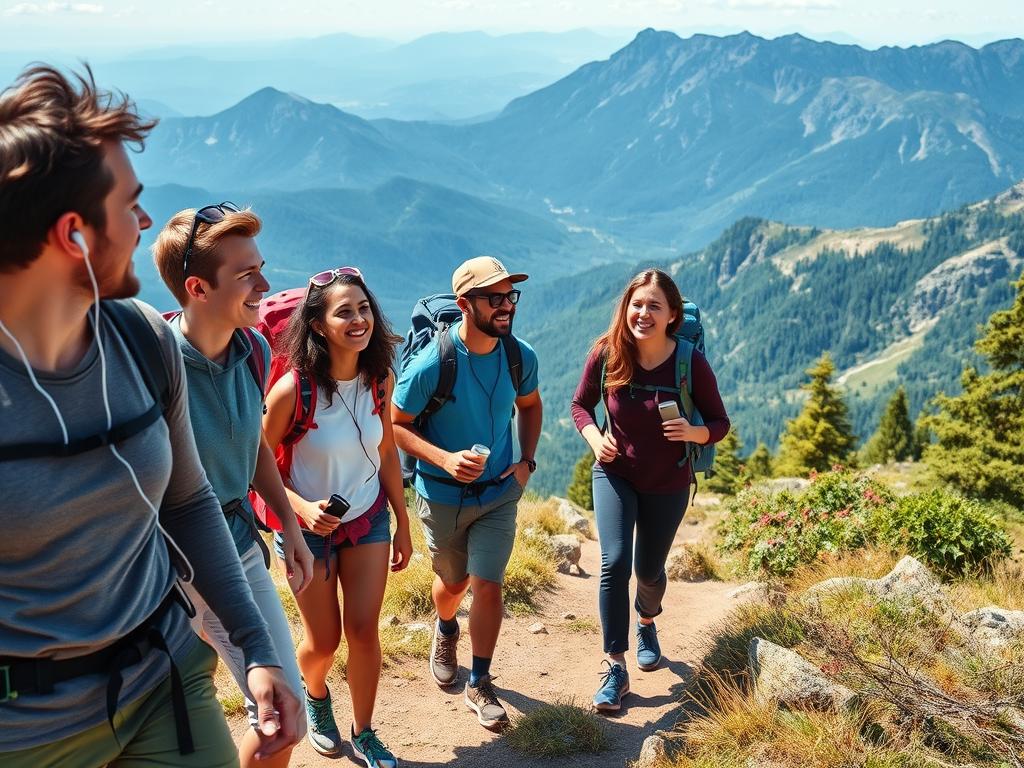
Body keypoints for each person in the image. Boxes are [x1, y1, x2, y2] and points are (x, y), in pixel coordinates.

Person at [0, 66, 301, 766]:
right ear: (73, 234)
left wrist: (256, 648)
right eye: (131, 206)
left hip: (163, 687)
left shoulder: (141, 339)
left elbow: (188, 501)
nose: (143, 223)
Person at [152, 204, 316, 768]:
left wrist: (288, 525)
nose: (265, 286)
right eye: (246, 275)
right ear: (197, 287)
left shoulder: (254, 350)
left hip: (240, 544)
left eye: (260, 268)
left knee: (264, 708)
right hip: (180, 562)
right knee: (280, 711)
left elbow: (251, 449)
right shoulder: (157, 369)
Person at [262, 267, 412, 767]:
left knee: (365, 631)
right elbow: (254, 463)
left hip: (368, 519)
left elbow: (387, 450)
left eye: (363, 308)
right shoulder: (292, 391)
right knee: (323, 642)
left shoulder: (380, 380)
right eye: (343, 311)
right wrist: (301, 510)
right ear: (319, 325)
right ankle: (316, 693)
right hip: (306, 533)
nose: (358, 319)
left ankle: (366, 732)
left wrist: (402, 522)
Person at [392, 256, 543, 731]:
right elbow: (395, 425)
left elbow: (531, 405)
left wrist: (526, 463)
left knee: (488, 583)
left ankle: (479, 682)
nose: (506, 306)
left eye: (509, 296)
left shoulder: (520, 356)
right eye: (494, 298)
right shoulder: (434, 362)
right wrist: (444, 460)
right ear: (464, 304)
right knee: (453, 585)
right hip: (441, 496)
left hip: (499, 491)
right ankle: (446, 626)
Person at [570, 268, 729, 712]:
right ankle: (614, 666)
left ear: (672, 315)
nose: (642, 313)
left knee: (650, 571)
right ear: (626, 308)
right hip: (615, 473)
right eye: (636, 304)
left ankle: (647, 620)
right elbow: (580, 405)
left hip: (669, 482)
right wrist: (594, 439)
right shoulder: (606, 353)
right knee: (614, 561)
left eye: (654, 306)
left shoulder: (688, 362)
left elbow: (720, 423)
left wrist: (693, 434)